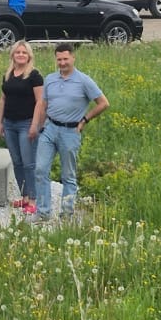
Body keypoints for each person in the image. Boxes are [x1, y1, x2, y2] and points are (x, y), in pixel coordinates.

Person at [30, 42, 109, 222]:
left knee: (68, 174)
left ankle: (66, 214)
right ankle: (43, 212)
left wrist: (85, 120)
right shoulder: (50, 79)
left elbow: (103, 103)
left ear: (73, 58)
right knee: (40, 169)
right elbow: (43, 104)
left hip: (70, 131)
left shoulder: (84, 81)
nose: (62, 63)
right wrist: (38, 126)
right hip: (49, 129)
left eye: (65, 59)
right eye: (59, 59)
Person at [0, 40, 44, 214]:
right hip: (9, 123)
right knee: (16, 162)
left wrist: (35, 124)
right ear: (13, 55)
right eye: (18, 52)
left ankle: (33, 199)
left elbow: (40, 101)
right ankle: (24, 196)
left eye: (24, 52)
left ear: (29, 55)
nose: (21, 55)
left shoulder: (34, 75)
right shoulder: (8, 74)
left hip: (27, 123)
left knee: (28, 163)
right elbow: (3, 99)